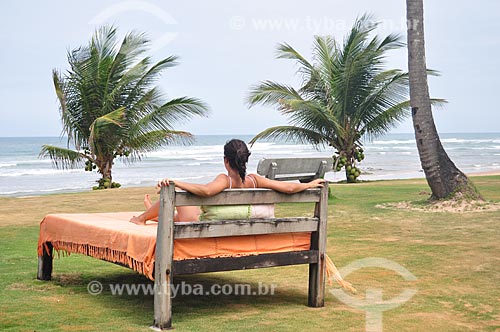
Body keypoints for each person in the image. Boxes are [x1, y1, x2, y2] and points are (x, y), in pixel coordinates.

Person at [129, 139, 325, 225]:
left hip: (206, 222)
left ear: (226, 161)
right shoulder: (254, 180)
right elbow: (289, 187)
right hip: (230, 220)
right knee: (181, 216)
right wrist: (310, 184)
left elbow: (206, 191)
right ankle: (151, 213)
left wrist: (176, 182)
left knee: (184, 206)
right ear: (245, 160)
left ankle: (142, 218)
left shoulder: (225, 181)